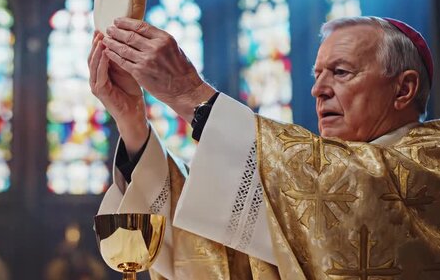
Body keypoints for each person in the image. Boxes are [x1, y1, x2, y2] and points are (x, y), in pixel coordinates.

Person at [89, 16, 440, 279]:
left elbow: (365, 193)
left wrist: (188, 93)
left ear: (404, 89)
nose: (319, 89)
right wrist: (132, 122)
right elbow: (214, 253)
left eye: (341, 72)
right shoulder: (293, 184)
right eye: (317, 75)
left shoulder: (430, 161)